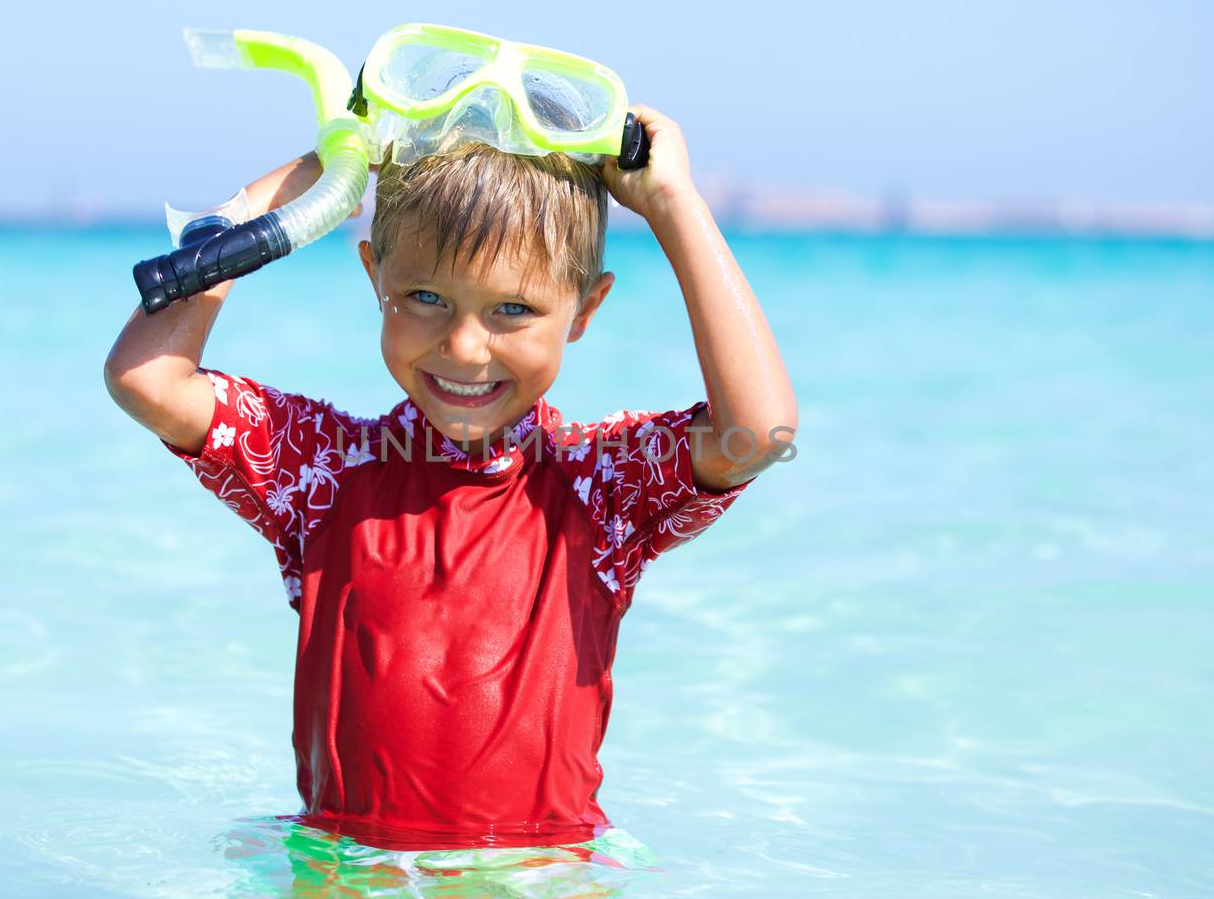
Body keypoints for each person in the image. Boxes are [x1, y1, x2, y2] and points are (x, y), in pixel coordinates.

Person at [103, 103, 797, 856]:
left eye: (514, 309)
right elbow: (148, 379)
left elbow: (759, 432)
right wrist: (318, 181)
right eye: (427, 298)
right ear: (376, 277)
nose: (465, 348)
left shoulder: (602, 487)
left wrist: (673, 204)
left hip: (537, 889)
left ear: (585, 309)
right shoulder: (324, 471)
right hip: (352, 882)